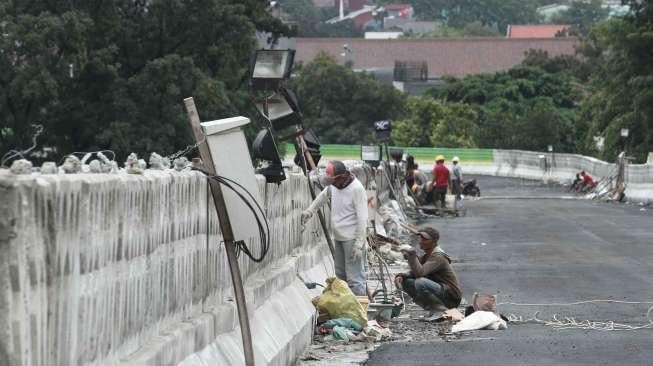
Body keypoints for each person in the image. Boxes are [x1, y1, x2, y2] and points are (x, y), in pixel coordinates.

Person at [301, 160, 368, 296]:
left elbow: (362, 218)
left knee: (354, 278)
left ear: (340, 176)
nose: (329, 180)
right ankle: (345, 309)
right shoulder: (334, 186)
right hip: (338, 237)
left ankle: (360, 310)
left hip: (352, 239)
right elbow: (323, 197)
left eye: (330, 177)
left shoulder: (356, 188)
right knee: (340, 277)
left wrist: (359, 243)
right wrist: (310, 211)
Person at [394, 227, 462, 311]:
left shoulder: (438, 256)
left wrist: (412, 254)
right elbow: (415, 272)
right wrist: (402, 276)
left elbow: (420, 273)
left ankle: (440, 309)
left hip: (451, 297)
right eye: (421, 238)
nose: (421, 241)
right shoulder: (427, 255)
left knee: (420, 282)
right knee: (406, 282)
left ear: (434, 241)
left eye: (425, 239)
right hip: (441, 291)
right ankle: (433, 308)